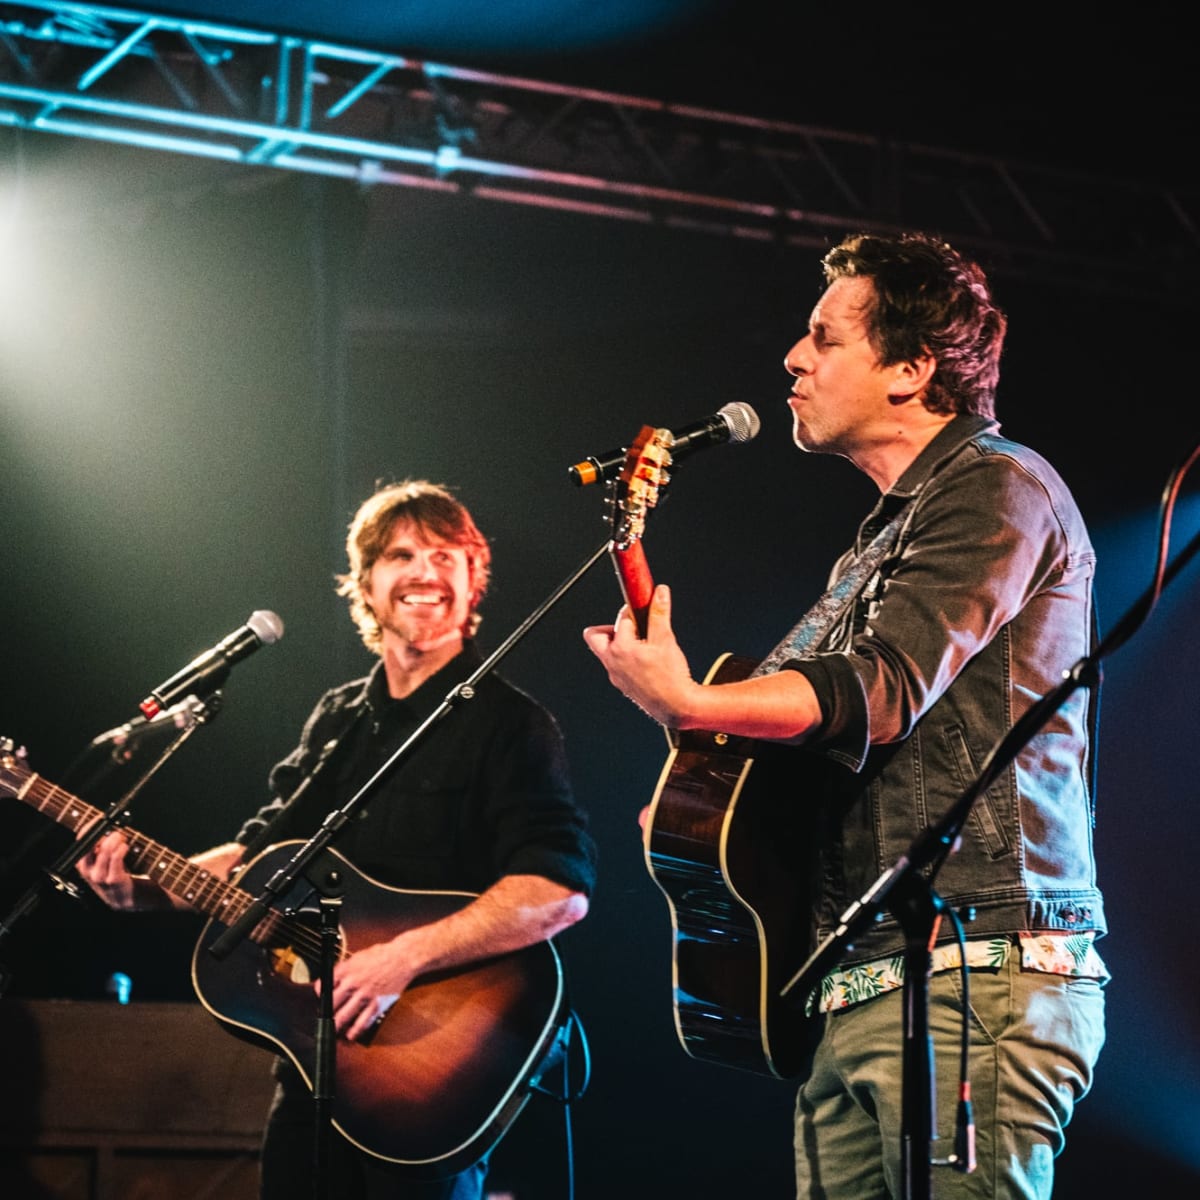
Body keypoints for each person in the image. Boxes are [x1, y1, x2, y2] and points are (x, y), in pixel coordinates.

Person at [583, 230, 1107, 1199]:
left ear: (911, 369)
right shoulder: (874, 545)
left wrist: (693, 698)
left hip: (976, 966)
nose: (793, 357)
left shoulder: (1000, 487)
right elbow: (780, 744)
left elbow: (882, 688)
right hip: (862, 973)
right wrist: (697, 754)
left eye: (825, 338)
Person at [77, 478, 598, 1200]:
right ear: (365, 584)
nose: (424, 572)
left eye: (447, 556)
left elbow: (558, 893)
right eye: (401, 555)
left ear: (475, 581)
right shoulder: (338, 720)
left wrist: (399, 959)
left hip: (429, 1071)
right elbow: (259, 856)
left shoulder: (512, 726)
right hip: (316, 1065)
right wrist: (140, 889)